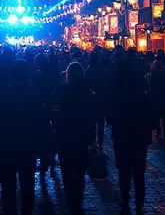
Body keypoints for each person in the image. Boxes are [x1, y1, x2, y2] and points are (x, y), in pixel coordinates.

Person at [0, 59, 47, 215]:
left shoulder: (0, 97)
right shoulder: (34, 99)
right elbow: (43, 127)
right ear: (28, 76)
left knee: (8, 190)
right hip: (27, 151)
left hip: (5, 150)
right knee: (27, 189)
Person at [106, 58, 153, 215]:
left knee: (124, 171)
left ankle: (125, 199)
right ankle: (139, 203)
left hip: (121, 136)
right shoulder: (142, 96)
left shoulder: (116, 95)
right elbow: (150, 117)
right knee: (139, 172)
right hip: (139, 137)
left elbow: (110, 117)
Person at [53, 62, 95, 215]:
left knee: (66, 169)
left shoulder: (62, 89)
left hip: (64, 136)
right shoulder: (87, 92)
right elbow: (91, 117)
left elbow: (55, 111)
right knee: (79, 170)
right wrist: (92, 137)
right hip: (81, 137)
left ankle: (71, 197)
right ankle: (77, 198)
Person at [85, 51, 108, 149]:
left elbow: (86, 82)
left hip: (92, 98)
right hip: (100, 97)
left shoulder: (89, 68)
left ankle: (93, 140)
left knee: (92, 120)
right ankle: (100, 140)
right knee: (100, 121)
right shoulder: (101, 68)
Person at [148, 54, 165, 140]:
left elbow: (149, 86)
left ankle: (160, 132)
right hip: (163, 96)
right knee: (164, 116)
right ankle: (164, 133)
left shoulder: (152, 73)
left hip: (157, 96)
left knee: (158, 115)